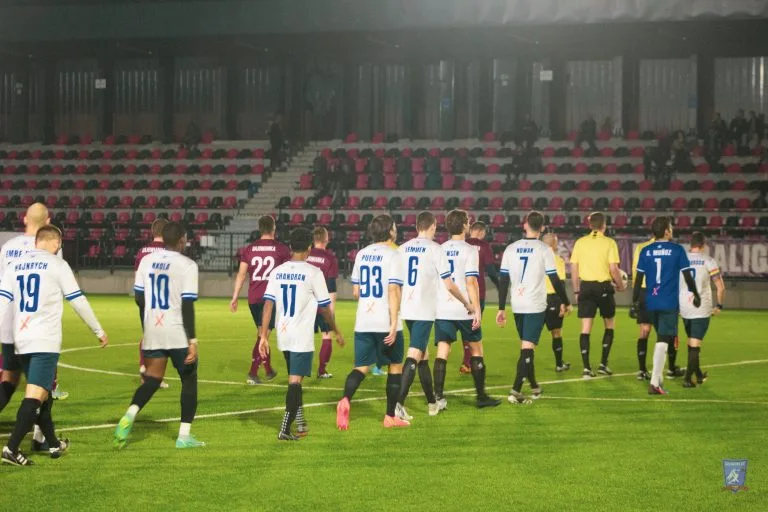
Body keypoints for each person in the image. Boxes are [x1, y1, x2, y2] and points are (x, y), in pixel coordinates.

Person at [0, 226, 107, 466]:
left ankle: (52, 443)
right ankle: (11, 448)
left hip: (19, 338)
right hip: (44, 340)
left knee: (44, 392)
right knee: (35, 397)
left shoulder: (14, 266)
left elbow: (3, 301)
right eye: (60, 244)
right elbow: (77, 299)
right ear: (55, 242)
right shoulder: (57, 265)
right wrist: (98, 330)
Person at [114, 222, 203, 449]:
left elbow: (139, 298)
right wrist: (192, 340)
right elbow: (187, 305)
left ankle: (131, 413)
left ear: (162, 239)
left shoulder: (147, 261)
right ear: (182, 240)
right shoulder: (187, 265)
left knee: (153, 379)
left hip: (152, 328)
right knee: (189, 379)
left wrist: (151, 319)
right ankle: (184, 436)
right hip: (177, 331)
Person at [258, 228, 344, 441]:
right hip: (301, 337)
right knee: (295, 383)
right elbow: (325, 309)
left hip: (283, 335)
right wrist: (336, 330)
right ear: (308, 248)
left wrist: (263, 336)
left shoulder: (278, 271)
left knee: (294, 380)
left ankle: (300, 423)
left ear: (290, 247)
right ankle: (285, 429)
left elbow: (268, 304)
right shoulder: (314, 273)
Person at [394, 212, 475, 421]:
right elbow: (449, 285)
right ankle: (398, 404)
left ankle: (432, 402)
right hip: (423, 310)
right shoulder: (436, 249)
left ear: (416, 226)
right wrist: (467, 303)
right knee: (414, 353)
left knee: (423, 355)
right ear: (433, 227)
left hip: (407, 308)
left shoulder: (402, 249)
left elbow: (395, 283)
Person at [336, 215, 409, 430]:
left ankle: (346, 399)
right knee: (395, 366)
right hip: (386, 320)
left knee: (361, 367)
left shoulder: (361, 254)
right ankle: (389, 417)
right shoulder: (394, 254)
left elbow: (356, 291)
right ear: (390, 231)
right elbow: (394, 290)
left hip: (364, 320)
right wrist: (394, 322)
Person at [0, 203, 69, 421]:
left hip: (9, 326)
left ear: (24, 219)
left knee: (9, 378)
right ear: (48, 222)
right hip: (38, 327)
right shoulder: (48, 247)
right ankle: (41, 438)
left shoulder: (8, 247)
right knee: (42, 384)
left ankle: (46, 439)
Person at [497, 212, 571, 404]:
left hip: (517, 304)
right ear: (543, 228)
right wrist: (566, 301)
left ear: (525, 225)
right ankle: (515, 391)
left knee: (526, 346)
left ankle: (535, 386)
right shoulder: (544, 250)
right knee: (527, 348)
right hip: (535, 304)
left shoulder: (511, 248)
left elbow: (503, 280)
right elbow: (554, 278)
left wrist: (501, 307)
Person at [433, 210, 499, 410]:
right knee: (477, 349)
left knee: (443, 350)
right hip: (464, 309)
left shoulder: (439, 249)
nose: (469, 224)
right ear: (464, 226)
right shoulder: (470, 250)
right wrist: (476, 309)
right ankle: (481, 397)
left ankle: (437, 397)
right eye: (468, 221)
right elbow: (471, 282)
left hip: (443, 307)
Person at [633, 217, 700, 395]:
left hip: (650, 301)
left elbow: (639, 278)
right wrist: (696, 294)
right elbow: (687, 276)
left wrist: (634, 301)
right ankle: (655, 382)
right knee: (663, 340)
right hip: (668, 302)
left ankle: (658, 379)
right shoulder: (677, 250)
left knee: (660, 338)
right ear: (666, 232)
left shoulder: (645, 251)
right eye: (670, 227)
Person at [230, 216, 290, 384]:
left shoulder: (249, 249)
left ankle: (269, 370)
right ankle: (253, 373)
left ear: (259, 228)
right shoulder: (282, 249)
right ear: (273, 228)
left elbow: (242, 274)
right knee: (263, 335)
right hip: (270, 299)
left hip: (253, 298)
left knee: (261, 334)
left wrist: (235, 296)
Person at [569, 212, 625, 378]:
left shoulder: (580, 242)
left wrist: (576, 290)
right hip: (603, 287)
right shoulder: (609, 242)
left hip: (586, 287)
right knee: (609, 324)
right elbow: (614, 269)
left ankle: (586, 368)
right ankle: (602, 364)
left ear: (590, 225)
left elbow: (574, 268)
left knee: (586, 328)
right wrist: (620, 286)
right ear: (604, 225)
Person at [679, 232, 725, 388]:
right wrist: (719, 305)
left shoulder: (681, 259)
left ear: (690, 244)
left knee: (692, 341)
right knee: (695, 343)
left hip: (684, 306)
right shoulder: (708, 261)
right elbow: (720, 287)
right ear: (704, 244)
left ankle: (698, 374)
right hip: (701, 306)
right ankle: (687, 379)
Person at [135, 218, 170, 388]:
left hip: (144, 298)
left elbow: (138, 276)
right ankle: (152, 373)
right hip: (161, 300)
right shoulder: (169, 250)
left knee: (149, 333)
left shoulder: (142, 251)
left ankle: (147, 373)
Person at [461, 222, 499, 374]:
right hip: (477, 292)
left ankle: (466, 361)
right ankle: (471, 362)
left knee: (464, 326)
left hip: (461, 292)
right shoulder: (484, 246)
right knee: (474, 326)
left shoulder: (462, 244)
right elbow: (490, 269)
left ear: (471, 231)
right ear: (482, 233)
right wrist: (498, 284)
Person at [307, 227, 339, 378]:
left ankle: (299, 369)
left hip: (305, 303)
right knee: (326, 336)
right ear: (326, 239)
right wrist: (331, 312)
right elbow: (331, 287)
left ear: (313, 240)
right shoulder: (329, 258)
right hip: (322, 304)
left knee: (303, 336)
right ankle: (321, 370)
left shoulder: (304, 255)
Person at [542, 233, 571, 372]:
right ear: (553, 244)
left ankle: (526, 364)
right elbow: (560, 282)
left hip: (536, 299)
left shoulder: (536, 259)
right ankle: (559, 364)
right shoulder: (557, 260)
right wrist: (563, 303)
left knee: (532, 335)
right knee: (556, 332)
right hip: (552, 298)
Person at [630, 235, 656, 381]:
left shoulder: (641, 247)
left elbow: (636, 272)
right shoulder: (670, 248)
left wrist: (635, 298)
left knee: (644, 331)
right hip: (661, 291)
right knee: (665, 332)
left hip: (644, 291)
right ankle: (670, 368)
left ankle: (642, 369)